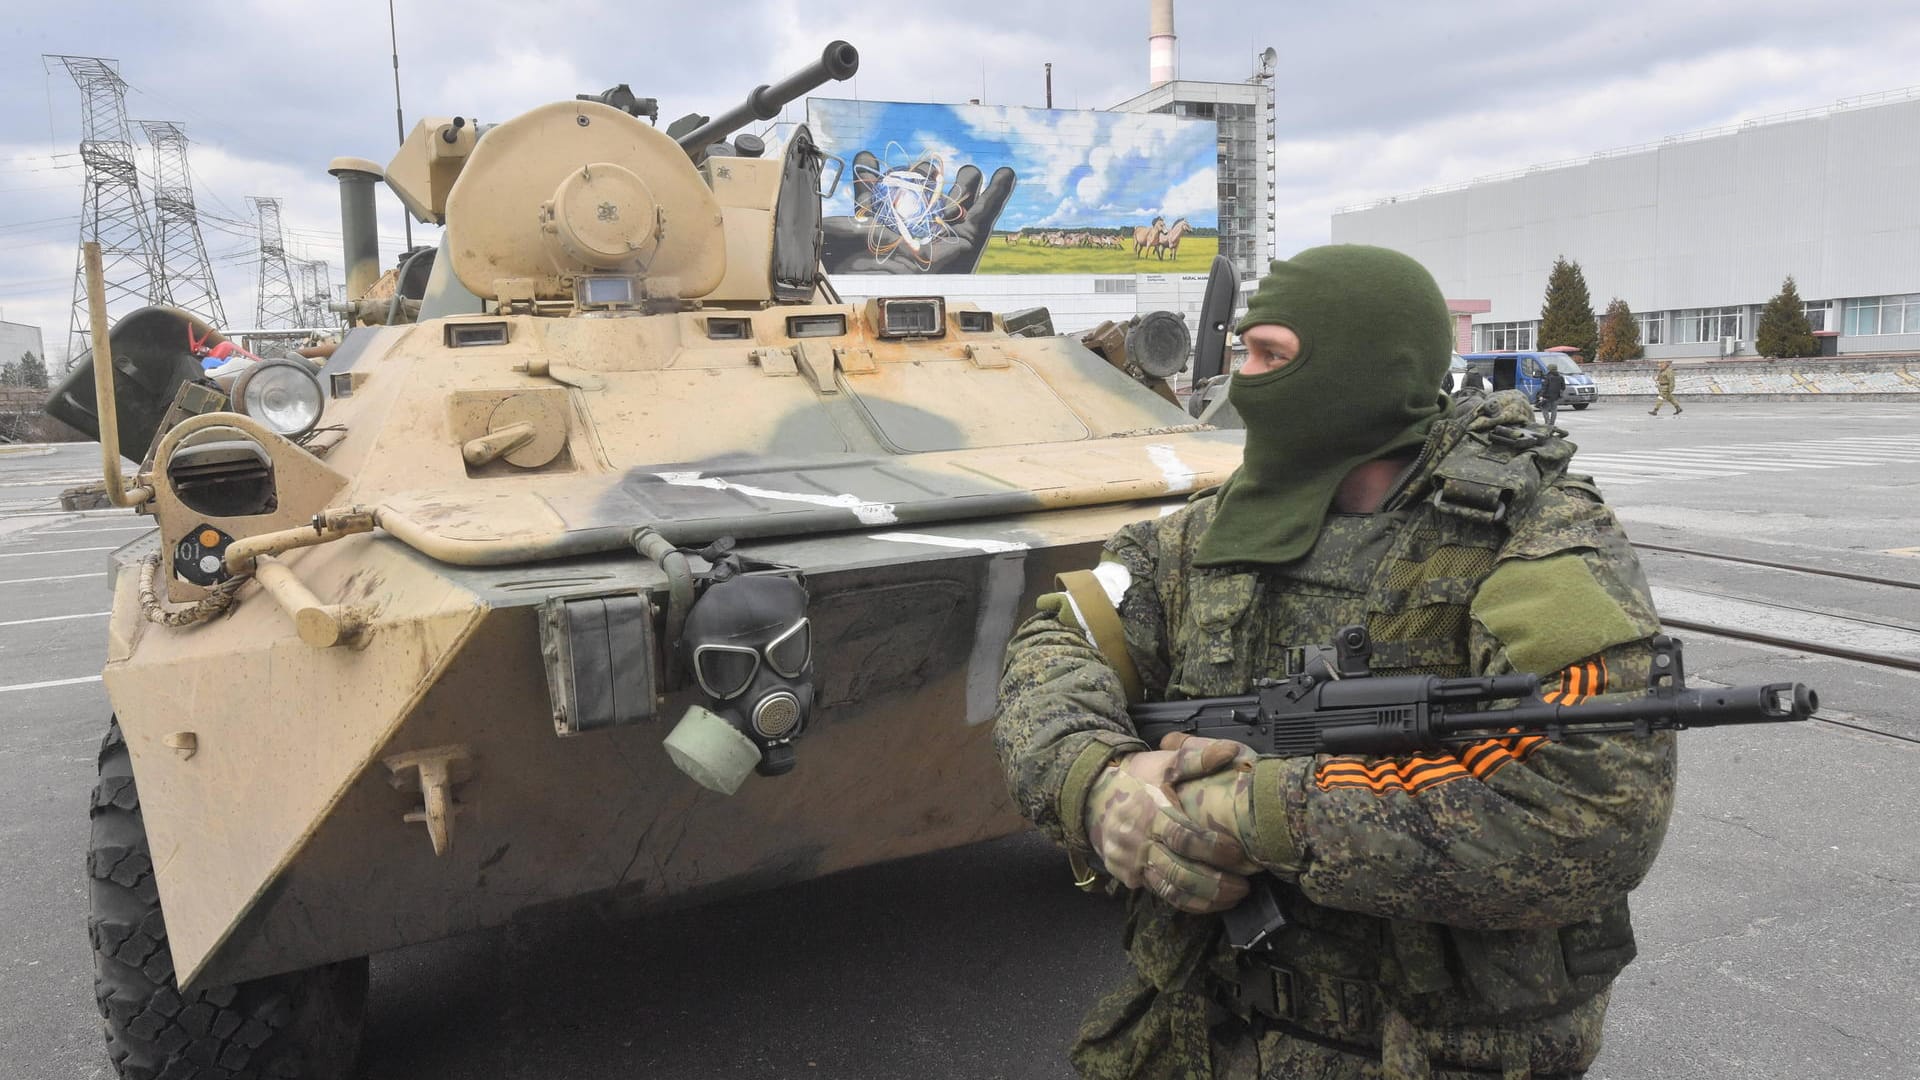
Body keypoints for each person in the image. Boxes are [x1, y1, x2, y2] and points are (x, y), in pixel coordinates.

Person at [994, 245, 1676, 1080]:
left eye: (1272, 356)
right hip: (1204, 1031)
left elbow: (1591, 810)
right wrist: (1100, 786)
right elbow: (1053, 649)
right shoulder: (1200, 534)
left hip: (1429, 1048)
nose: (1243, 381)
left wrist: (1257, 812)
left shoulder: (1530, 536)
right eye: (1241, 351)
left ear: (1365, 369)